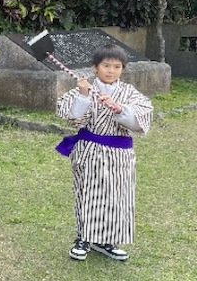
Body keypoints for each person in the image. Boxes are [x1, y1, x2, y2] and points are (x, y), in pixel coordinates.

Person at [56, 43, 153, 262]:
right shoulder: (85, 89)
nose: (111, 70)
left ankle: (107, 240)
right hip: (90, 150)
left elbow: (143, 116)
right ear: (94, 68)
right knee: (88, 193)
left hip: (120, 155)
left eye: (117, 66)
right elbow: (72, 118)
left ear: (123, 69)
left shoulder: (129, 93)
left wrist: (121, 109)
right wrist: (82, 95)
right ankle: (83, 238)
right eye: (106, 65)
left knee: (117, 196)